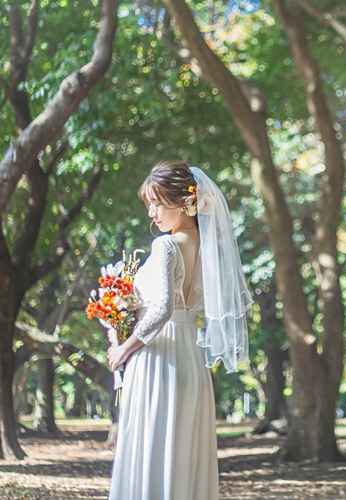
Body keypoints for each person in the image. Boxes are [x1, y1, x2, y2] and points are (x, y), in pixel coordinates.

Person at [106, 161, 252, 499]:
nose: (152, 213)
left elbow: (162, 309)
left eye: (158, 203)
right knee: (183, 451)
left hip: (159, 355)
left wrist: (123, 348)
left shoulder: (166, 246)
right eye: (149, 205)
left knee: (152, 446)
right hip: (190, 356)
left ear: (184, 202)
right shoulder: (209, 247)